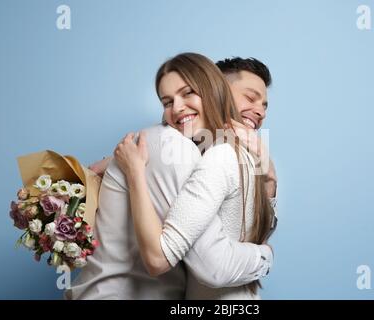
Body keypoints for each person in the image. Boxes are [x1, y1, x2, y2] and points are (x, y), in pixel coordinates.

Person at [65, 54, 277, 300]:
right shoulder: (185, 151)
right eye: (167, 101)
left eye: (264, 105)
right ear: (218, 89)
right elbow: (204, 265)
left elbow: (246, 230)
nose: (259, 111)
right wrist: (266, 256)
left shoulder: (229, 155)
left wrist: (270, 181)